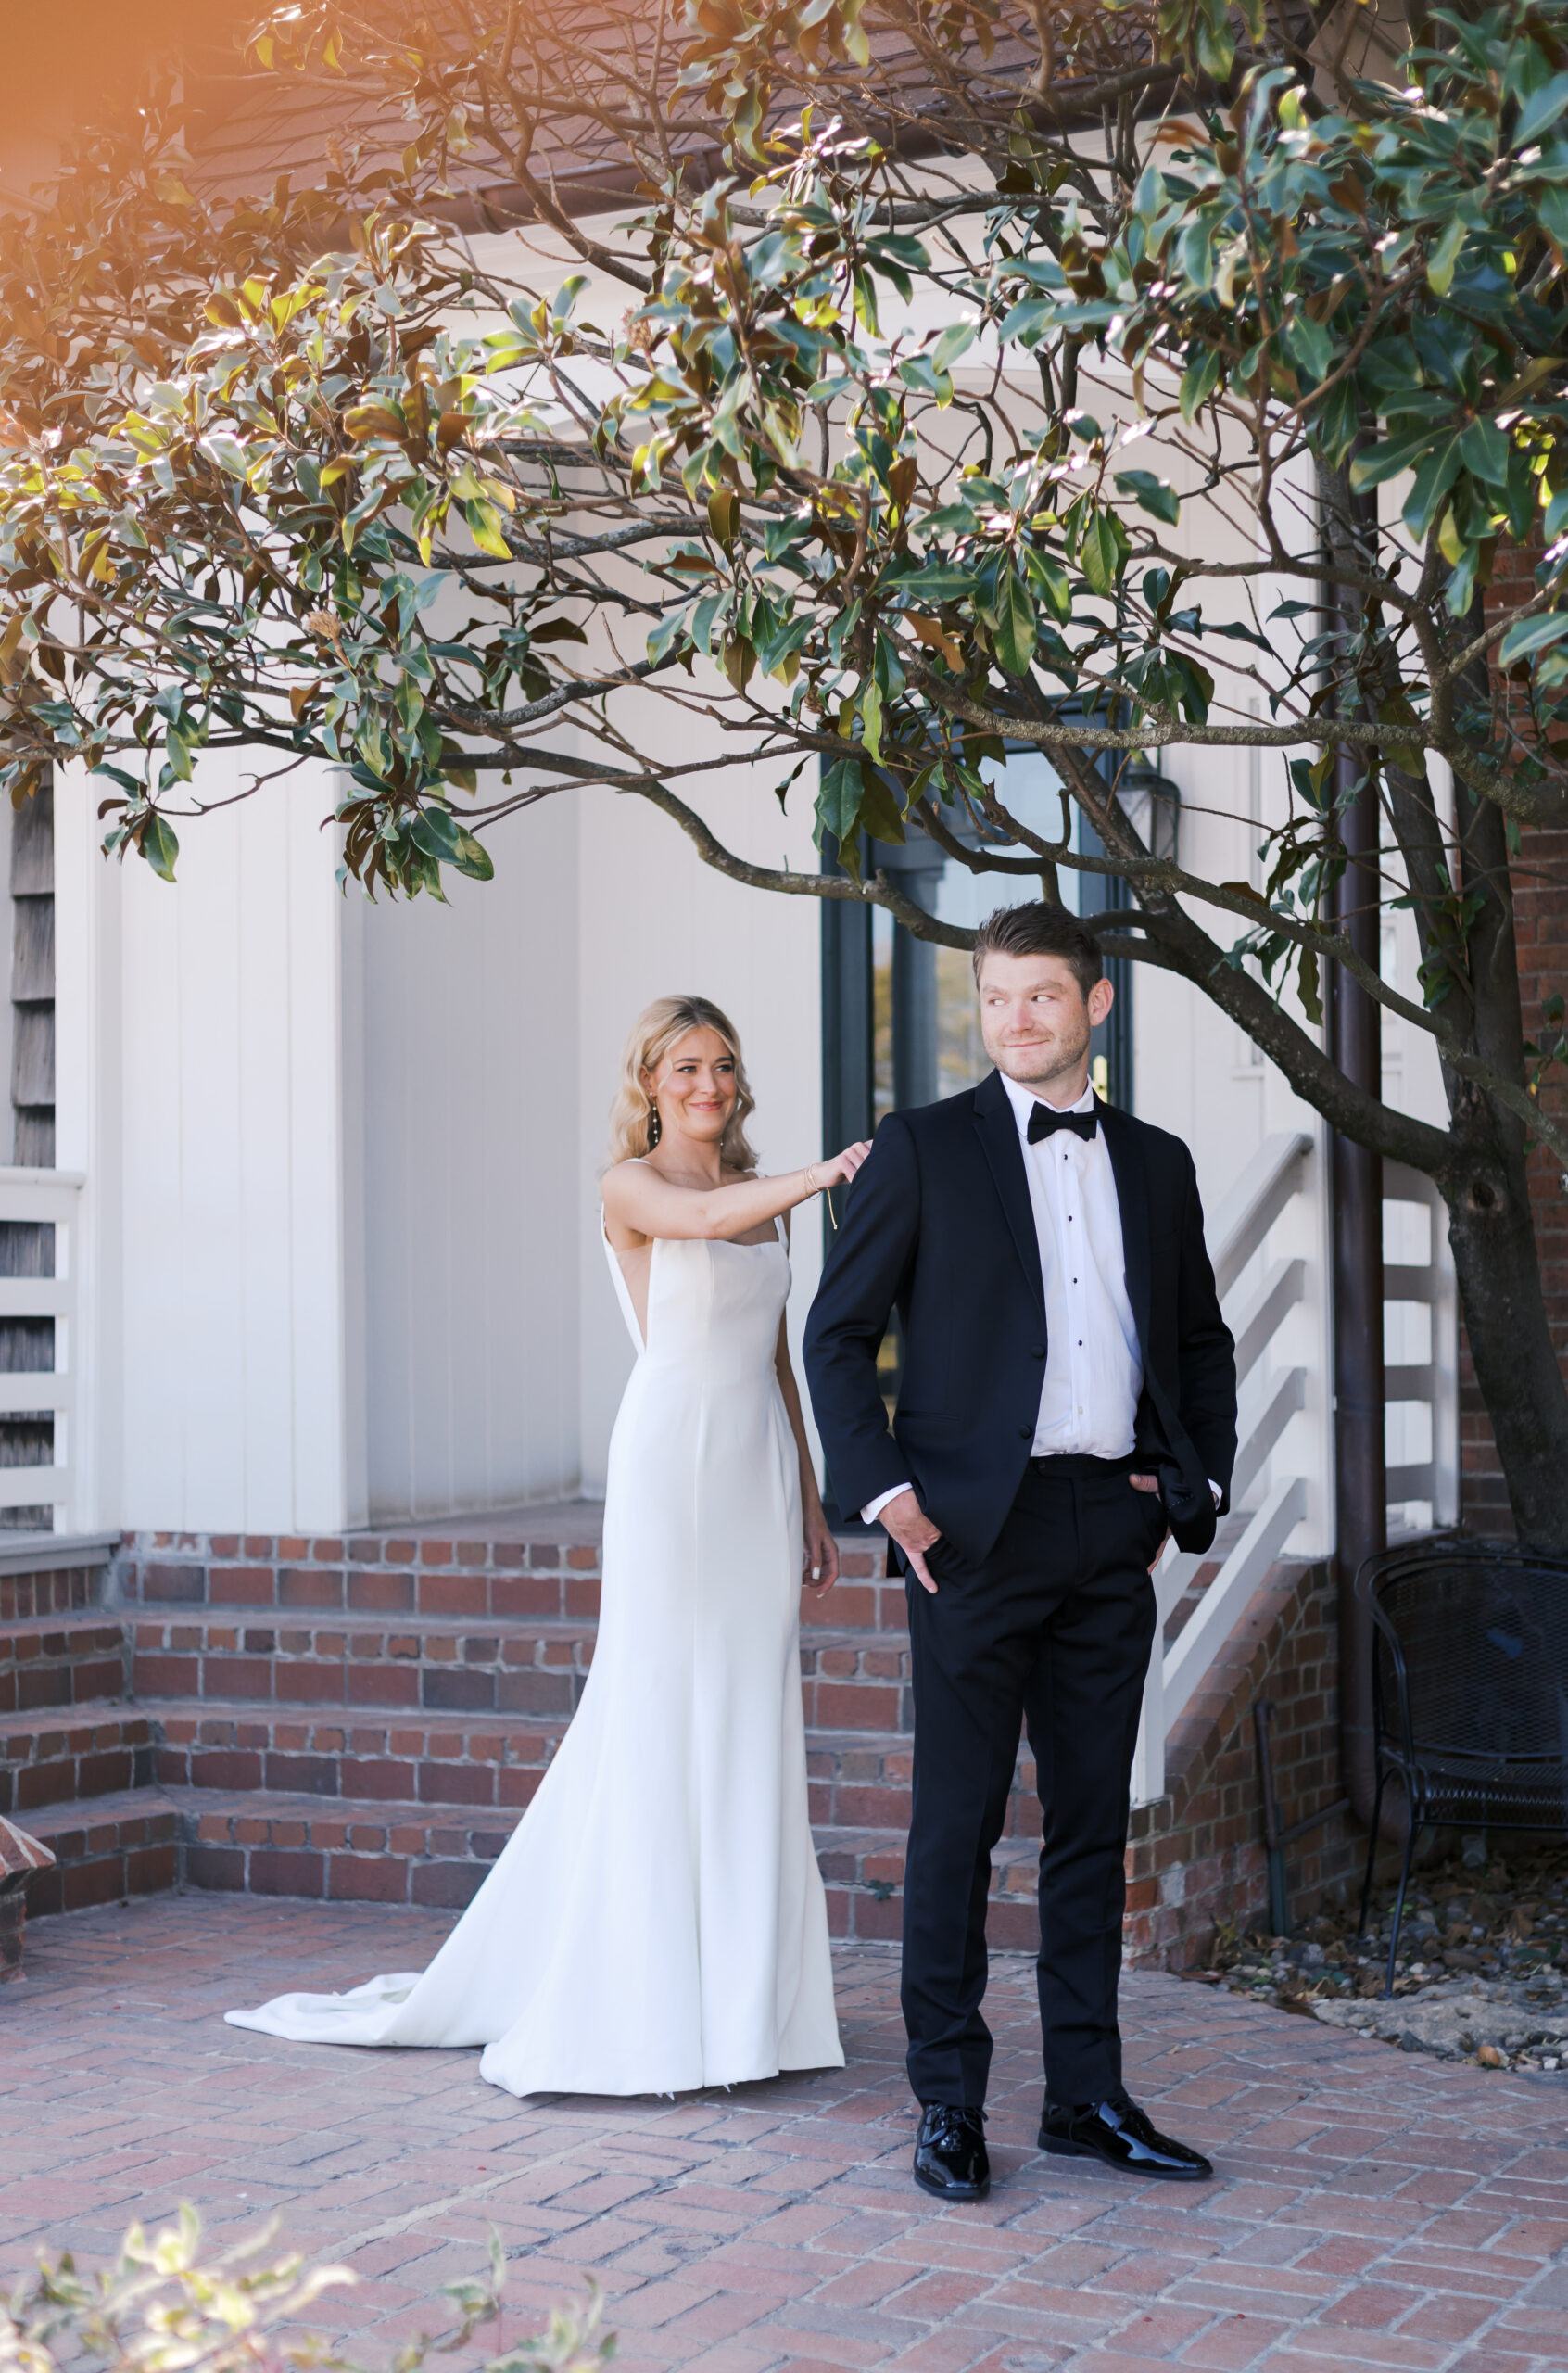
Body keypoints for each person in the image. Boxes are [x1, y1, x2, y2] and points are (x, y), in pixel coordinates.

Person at [229, 994, 869, 2099]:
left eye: (722, 1064)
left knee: (750, 1715)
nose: (708, 1083)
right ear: (650, 1081)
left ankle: (749, 2009)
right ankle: (643, 2001)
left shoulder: (760, 1197)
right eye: (685, 1067)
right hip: (671, 1467)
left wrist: (810, 1496)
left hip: (754, 1470)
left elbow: (775, 1357)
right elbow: (706, 1230)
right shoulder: (633, 1185)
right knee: (659, 1708)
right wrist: (820, 1174)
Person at [804, 903, 1237, 2199]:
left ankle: (1086, 2099)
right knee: (957, 1822)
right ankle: (947, 2100)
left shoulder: (1158, 1164)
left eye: (1042, 997)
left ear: (1095, 1007)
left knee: (1090, 1827)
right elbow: (838, 1334)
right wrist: (891, 1498)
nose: (1017, 1021)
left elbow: (1202, 1342)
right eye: (996, 1000)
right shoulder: (921, 1150)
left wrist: (1186, 1482)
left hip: (1110, 1529)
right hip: (968, 1540)